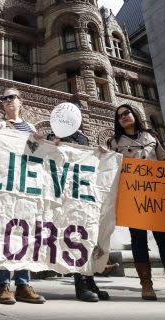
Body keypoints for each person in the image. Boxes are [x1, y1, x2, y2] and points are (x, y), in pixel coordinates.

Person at [112, 103, 165, 302]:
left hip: (156, 196)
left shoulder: (151, 137)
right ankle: (146, 285)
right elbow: (111, 166)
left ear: (134, 114)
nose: (124, 117)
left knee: (164, 240)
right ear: (117, 122)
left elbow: (164, 159)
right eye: (119, 116)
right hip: (133, 197)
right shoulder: (114, 142)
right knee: (138, 240)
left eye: (126, 113)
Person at [0, 88, 46, 305]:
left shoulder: (31, 128)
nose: (7, 100)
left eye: (11, 97)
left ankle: (22, 284)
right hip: (5, 186)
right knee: (4, 234)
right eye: (4, 98)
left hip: (26, 188)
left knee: (23, 234)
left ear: (20, 101)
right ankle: (4, 285)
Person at [46, 127, 109, 302]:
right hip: (64, 196)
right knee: (74, 238)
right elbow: (46, 157)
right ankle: (80, 285)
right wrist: (53, 144)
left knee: (86, 239)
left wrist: (101, 154)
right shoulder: (55, 133)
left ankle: (90, 282)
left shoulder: (83, 137)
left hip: (83, 195)